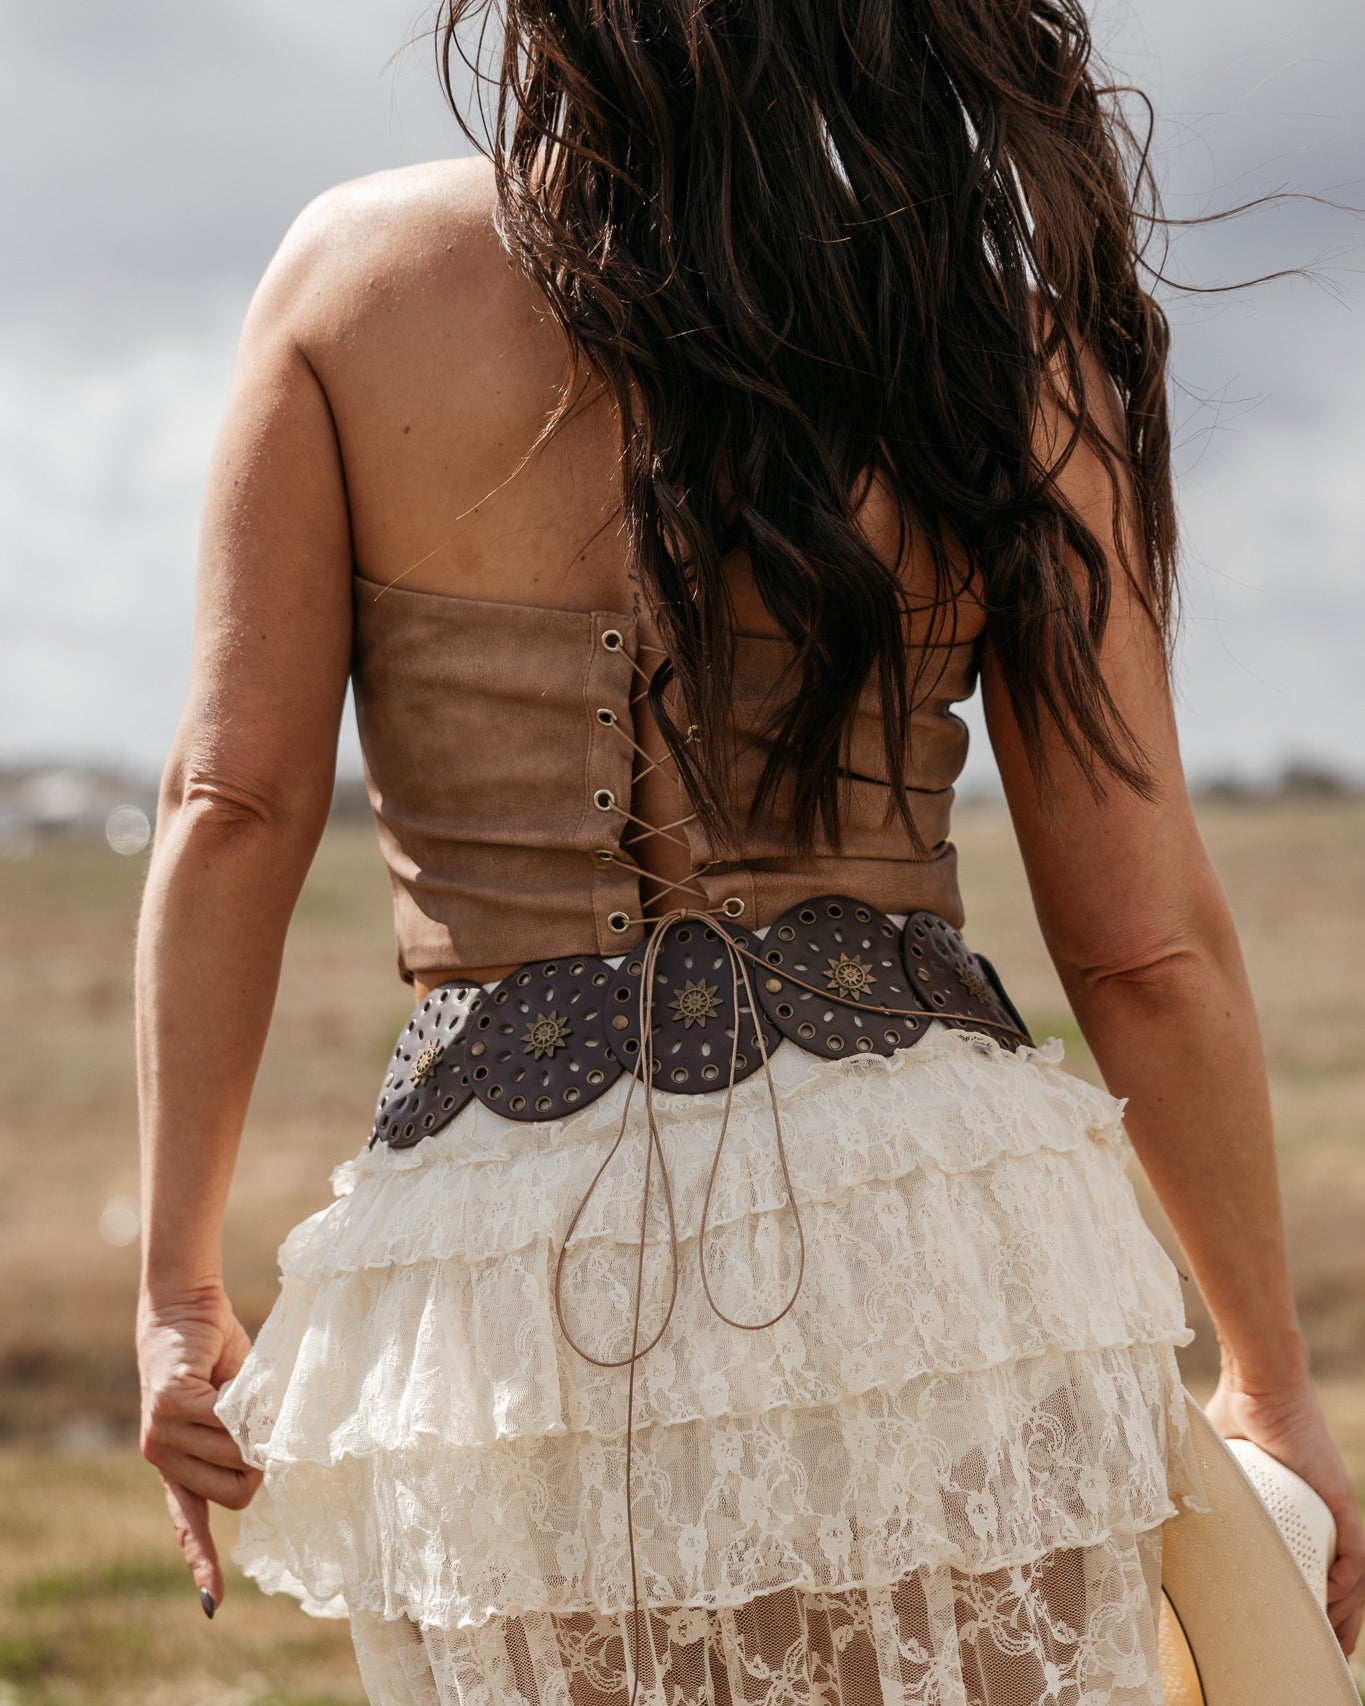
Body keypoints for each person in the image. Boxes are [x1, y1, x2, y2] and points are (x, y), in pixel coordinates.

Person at [134, 2, 1364, 1701]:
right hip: (935, 1235)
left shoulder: (354, 283)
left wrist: (178, 1287)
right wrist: (1269, 1375)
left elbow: (231, 804)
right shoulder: (989, 348)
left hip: (505, 1255)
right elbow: (1141, 946)